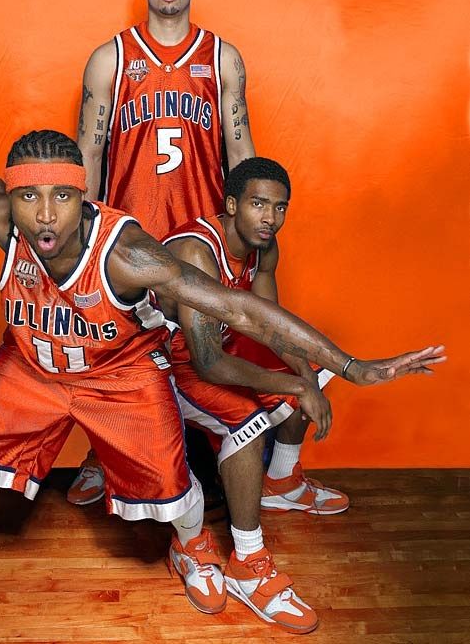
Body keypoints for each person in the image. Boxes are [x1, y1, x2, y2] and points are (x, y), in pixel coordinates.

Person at [0, 119, 443, 638]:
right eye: (29, 197)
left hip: (120, 373)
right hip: (31, 365)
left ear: (83, 196)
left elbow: (240, 309)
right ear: (9, 196)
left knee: (174, 488)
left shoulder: (127, 253)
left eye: (61, 196)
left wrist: (350, 365)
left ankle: (193, 547)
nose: (45, 214)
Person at [72, 0, 257, 502]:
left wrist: (249, 226)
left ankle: (209, 456)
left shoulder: (222, 58)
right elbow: (89, 152)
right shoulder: (111, 58)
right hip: (130, 230)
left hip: (200, 232)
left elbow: (240, 147)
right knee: (114, 349)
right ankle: (101, 456)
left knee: (201, 352)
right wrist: (82, 235)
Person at [159, 156, 345, 631]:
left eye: (280, 207)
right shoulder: (197, 251)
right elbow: (206, 363)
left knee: (310, 369)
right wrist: (295, 384)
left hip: (212, 349)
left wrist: (305, 377)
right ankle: (247, 563)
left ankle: (281, 483)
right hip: (158, 365)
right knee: (246, 422)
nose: (270, 218)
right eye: (259, 204)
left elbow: (270, 326)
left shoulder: (264, 247)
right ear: (231, 204)